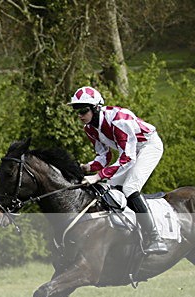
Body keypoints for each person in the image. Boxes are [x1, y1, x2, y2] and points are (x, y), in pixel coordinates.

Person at [68, 86, 167, 254]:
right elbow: (104, 156)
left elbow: (127, 158)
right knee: (111, 189)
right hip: (130, 152)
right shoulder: (90, 128)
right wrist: (88, 167)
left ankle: (155, 238)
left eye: (83, 111)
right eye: (77, 111)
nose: (80, 116)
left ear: (96, 108)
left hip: (149, 146)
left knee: (129, 188)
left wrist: (98, 176)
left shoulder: (119, 120)